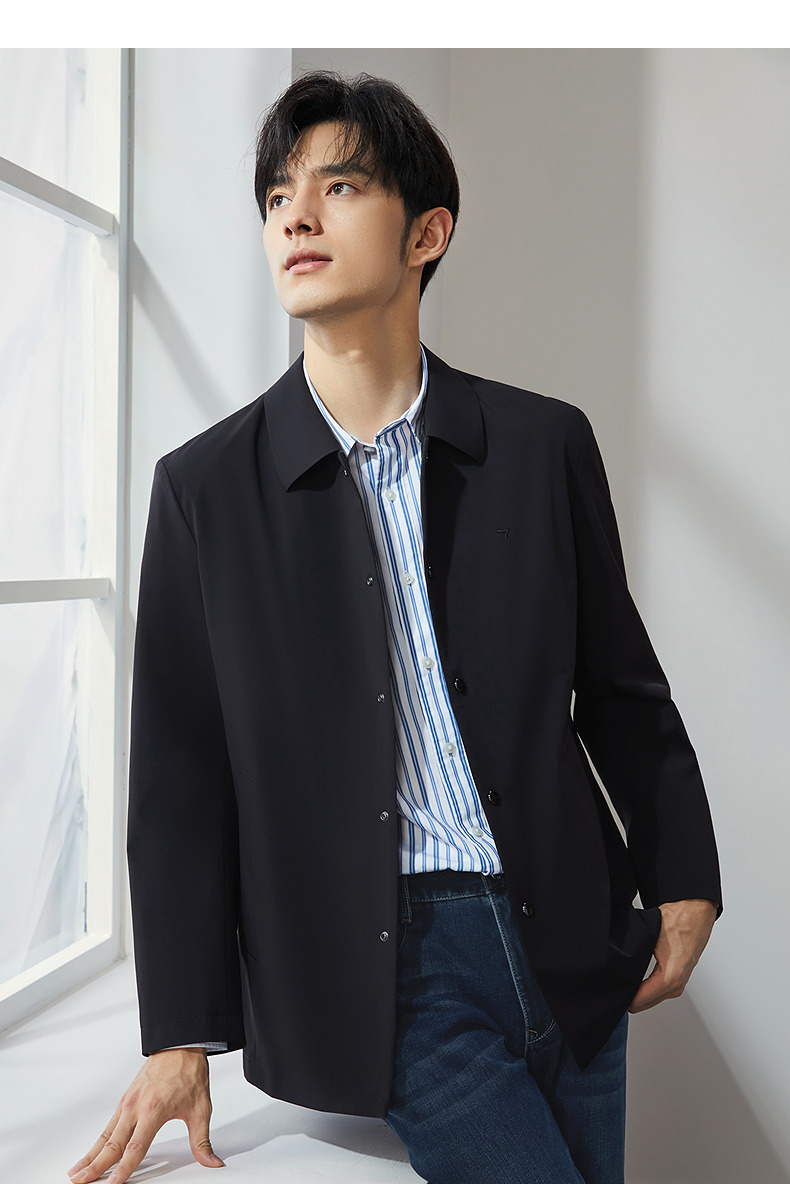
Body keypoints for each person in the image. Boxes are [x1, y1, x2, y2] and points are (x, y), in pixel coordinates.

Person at [67, 70, 722, 1184]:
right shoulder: (204, 491)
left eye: (338, 187)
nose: (296, 217)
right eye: (277, 196)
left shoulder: (542, 445)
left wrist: (685, 873)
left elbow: (620, 686)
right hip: (391, 971)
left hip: (570, 931)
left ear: (427, 233)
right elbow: (179, 779)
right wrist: (180, 1032)